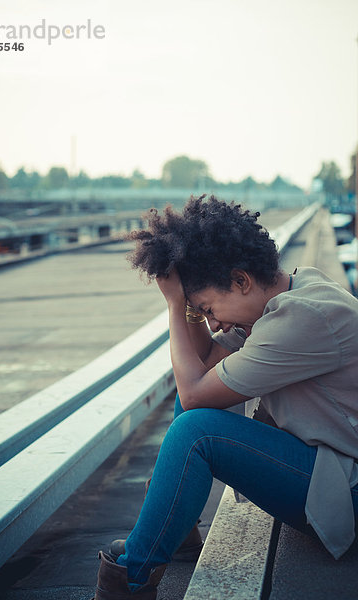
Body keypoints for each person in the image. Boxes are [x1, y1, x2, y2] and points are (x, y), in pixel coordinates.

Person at [93, 195, 358, 600]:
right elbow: (199, 366)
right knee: (196, 409)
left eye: (209, 309)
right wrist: (190, 311)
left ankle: (130, 578)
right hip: (328, 466)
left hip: (347, 490)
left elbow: (195, 395)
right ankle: (170, 531)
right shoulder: (281, 300)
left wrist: (174, 305)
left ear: (240, 280)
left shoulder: (302, 319)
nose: (213, 322)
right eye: (204, 314)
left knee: (196, 431)